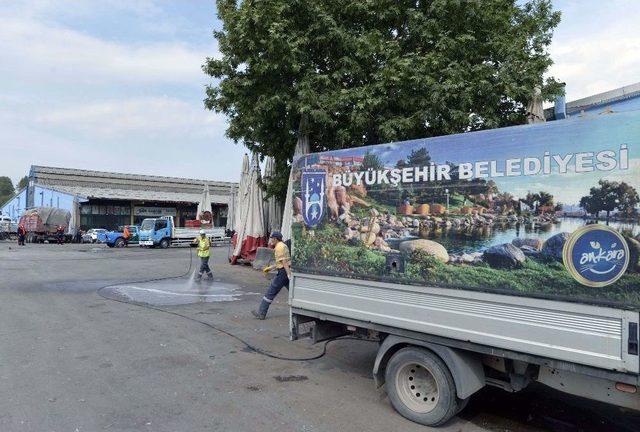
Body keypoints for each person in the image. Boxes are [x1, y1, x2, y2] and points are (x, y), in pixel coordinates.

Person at [252, 231, 291, 320]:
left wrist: (288, 274)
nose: (271, 241)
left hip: (283, 273)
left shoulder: (279, 247)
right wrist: (271, 267)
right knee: (293, 292)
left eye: (272, 239)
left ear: (275, 239)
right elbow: (281, 262)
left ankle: (261, 313)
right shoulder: (282, 245)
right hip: (284, 271)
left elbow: (284, 262)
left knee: (270, 292)